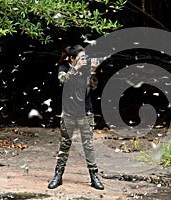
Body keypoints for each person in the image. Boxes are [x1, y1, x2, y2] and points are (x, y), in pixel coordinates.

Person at [48, 44, 104, 190]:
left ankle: (94, 177)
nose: (84, 60)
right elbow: (62, 81)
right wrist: (75, 68)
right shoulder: (64, 69)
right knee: (64, 145)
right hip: (68, 114)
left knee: (88, 146)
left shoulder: (86, 70)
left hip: (85, 113)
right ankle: (58, 176)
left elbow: (93, 87)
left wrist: (92, 72)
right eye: (80, 58)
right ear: (72, 58)